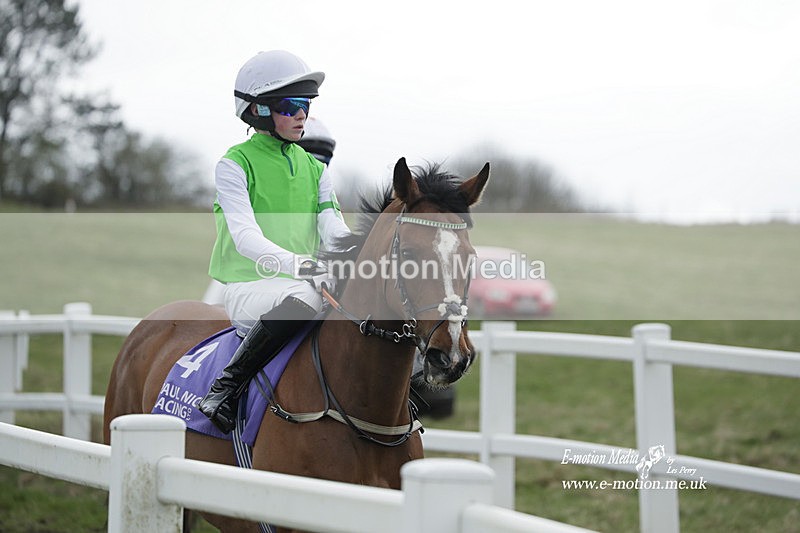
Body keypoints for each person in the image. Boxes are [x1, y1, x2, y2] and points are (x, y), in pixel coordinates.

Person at [199, 50, 351, 434]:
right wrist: (306, 267)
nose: (302, 114)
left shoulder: (315, 169)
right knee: (309, 296)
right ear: (259, 111)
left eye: (307, 105)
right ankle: (226, 387)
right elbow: (247, 238)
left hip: (302, 282)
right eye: (291, 106)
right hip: (250, 288)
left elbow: (333, 229)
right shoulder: (234, 164)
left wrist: (366, 259)